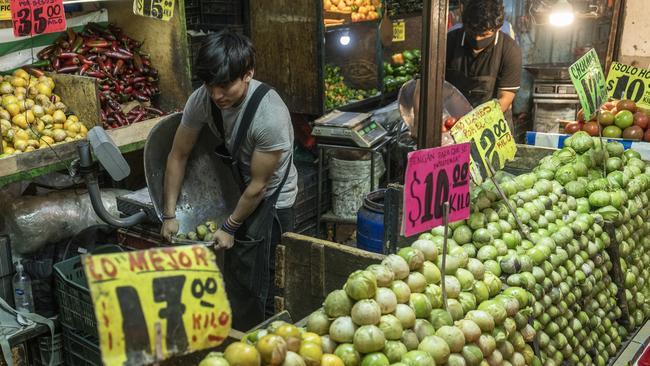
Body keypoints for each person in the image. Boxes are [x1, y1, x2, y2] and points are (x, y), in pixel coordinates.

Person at [160, 30, 298, 330]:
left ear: (248, 74)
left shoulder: (269, 116)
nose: (216, 95)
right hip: (241, 188)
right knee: (240, 278)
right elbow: (178, 154)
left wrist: (230, 227)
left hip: (273, 199)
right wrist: (169, 214)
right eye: (210, 86)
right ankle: (241, 340)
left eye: (224, 86)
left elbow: (259, 187)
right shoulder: (203, 99)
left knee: (270, 281)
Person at [446, 0, 522, 115]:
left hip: (491, 122)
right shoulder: (449, 41)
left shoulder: (510, 50)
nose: (477, 39)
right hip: (452, 119)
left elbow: (505, 98)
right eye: (472, 33)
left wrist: (472, 123)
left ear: (498, 28)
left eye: (484, 35)